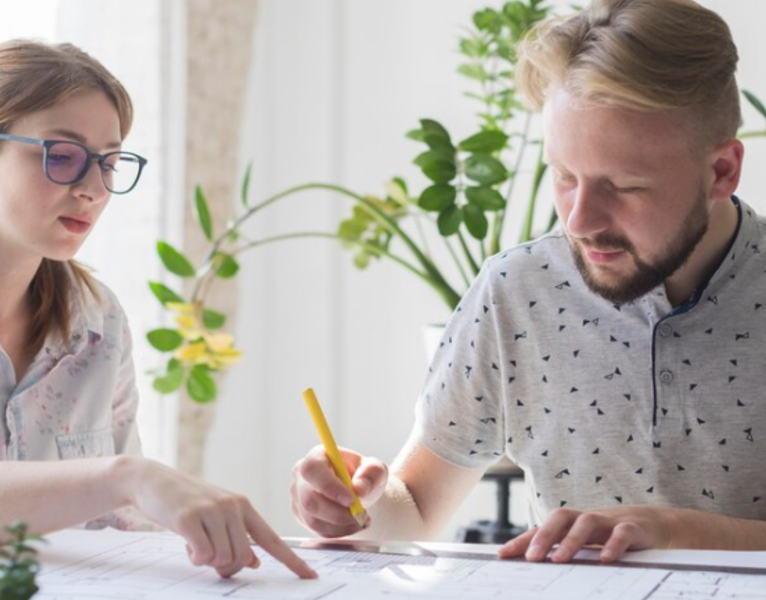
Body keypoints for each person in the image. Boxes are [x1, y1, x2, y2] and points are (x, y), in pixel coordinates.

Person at [290, 0, 766, 562]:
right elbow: (415, 509)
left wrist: (671, 532)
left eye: (625, 186)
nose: (579, 221)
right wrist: (356, 506)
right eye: (564, 176)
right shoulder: (516, 291)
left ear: (722, 171)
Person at [0, 39, 315, 580]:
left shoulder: (98, 322)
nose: (93, 189)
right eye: (62, 156)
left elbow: (120, 530)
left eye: (109, 162)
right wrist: (125, 476)